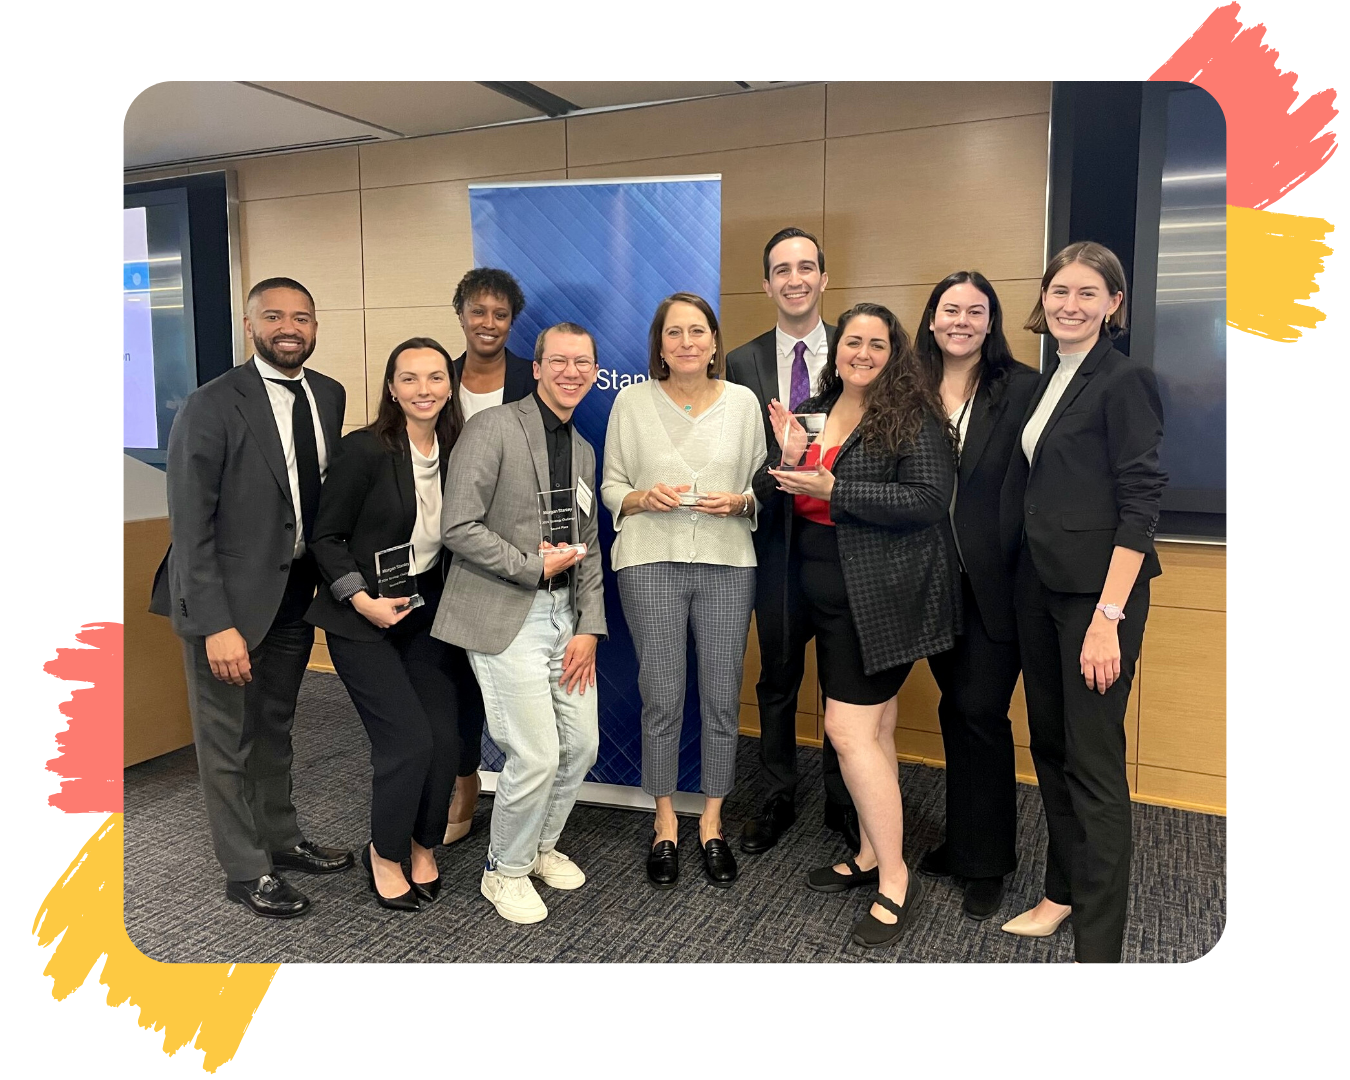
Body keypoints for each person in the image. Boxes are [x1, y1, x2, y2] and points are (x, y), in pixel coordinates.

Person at [149, 277, 354, 919]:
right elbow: (191, 526)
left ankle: (283, 838)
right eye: (274, 316)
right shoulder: (211, 405)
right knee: (226, 740)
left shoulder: (328, 394)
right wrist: (215, 625)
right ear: (250, 325)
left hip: (293, 594)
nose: (288, 327)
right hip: (226, 606)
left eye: (302, 316)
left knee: (275, 728)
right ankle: (245, 868)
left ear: (316, 326)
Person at [764, 303, 960, 948]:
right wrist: (791, 457)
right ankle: (875, 853)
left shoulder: (915, 415)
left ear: (895, 352)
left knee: (848, 731)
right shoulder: (822, 407)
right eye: (854, 342)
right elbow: (796, 490)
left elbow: (929, 502)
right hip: (820, 588)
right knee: (872, 729)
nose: (864, 354)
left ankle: (895, 879)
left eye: (878, 344)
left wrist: (833, 485)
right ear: (836, 348)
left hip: (879, 597)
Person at [999, 241, 1166, 963]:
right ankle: (1061, 894)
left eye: (1088, 294)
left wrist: (1109, 617)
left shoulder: (1124, 381)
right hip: (1039, 590)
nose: (1070, 305)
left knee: (1094, 768)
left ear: (1113, 305)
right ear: (1044, 297)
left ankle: (1100, 944)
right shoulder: (1050, 377)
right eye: (1060, 291)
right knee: (1053, 749)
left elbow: (1140, 504)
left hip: (1097, 604)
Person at [432, 322, 607, 925]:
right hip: (505, 614)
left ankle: (538, 849)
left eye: (582, 362)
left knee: (581, 745)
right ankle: (502, 872)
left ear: (594, 371)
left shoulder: (582, 449)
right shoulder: (493, 429)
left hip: (566, 616)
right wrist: (532, 568)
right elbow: (458, 526)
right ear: (535, 369)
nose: (571, 372)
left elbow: (588, 544)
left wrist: (588, 626)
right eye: (558, 361)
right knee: (533, 754)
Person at [601, 293, 766, 889]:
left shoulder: (744, 404)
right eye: (675, 333)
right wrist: (642, 497)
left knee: (722, 696)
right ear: (661, 344)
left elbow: (762, 487)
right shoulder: (631, 401)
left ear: (716, 342)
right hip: (649, 561)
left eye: (699, 331)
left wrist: (742, 501)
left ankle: (712, 822)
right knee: (663, 695)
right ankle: (665, 822)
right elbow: (611, 486)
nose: (688, 342)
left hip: (727, 561)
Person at [306, 337, 477, 911]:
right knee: (406, 740)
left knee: (445, 738)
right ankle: (383, 854)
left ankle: (422, 842)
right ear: (391, 387)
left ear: (449, 385)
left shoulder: (458, 448)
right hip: (362, 618)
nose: (423, 390)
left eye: (434, 378)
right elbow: (325, 538)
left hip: (424, 609)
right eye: (409, 379)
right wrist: (360, 599)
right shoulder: (366, 450)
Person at [725, 227, 860, 856]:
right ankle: (777, 792)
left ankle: (844, 797)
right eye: (782, 269)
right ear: (768, 283)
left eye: (807, 267)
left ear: (825, 278)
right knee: (776, 677)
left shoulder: (859, 353)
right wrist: (780, 464)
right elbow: (736, 470)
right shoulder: (742, 363)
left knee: (843, 680)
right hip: (776, 545)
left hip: (844, 547)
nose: (795, 278)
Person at [911, 272, 1040, 921]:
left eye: (976, 310)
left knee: (980, 711)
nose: (961, 319)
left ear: (991, 323)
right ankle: (966, 842)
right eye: (950, 308)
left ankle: (987, 862)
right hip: (929, 585)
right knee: (954, 712)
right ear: (932, 319)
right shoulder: (907, 391)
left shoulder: (1022, 389)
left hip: (997, 586)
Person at [443, 267, 535, 844]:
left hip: (515, 550)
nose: (489, 323)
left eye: (500, 314)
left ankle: (522, 787)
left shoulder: (531, 376)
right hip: (444, 543)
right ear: (461, 315)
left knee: (509, 670)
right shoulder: (439, 377)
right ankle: (462, 778)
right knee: (453, 674)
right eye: (479, 312)